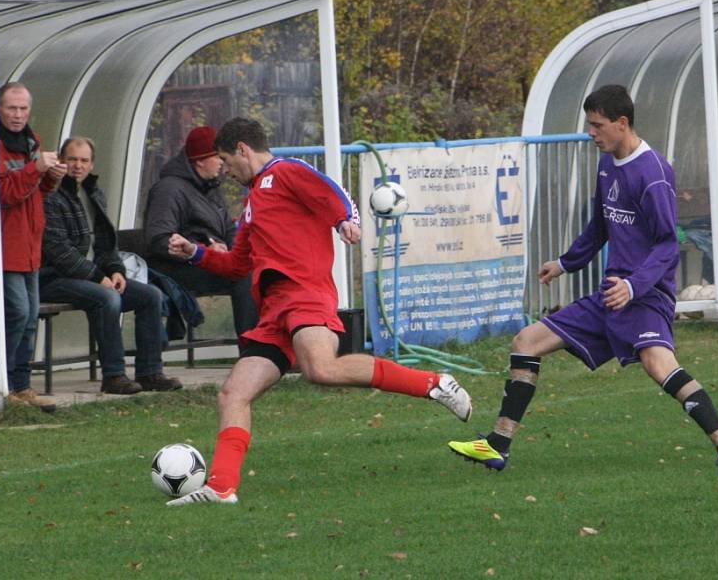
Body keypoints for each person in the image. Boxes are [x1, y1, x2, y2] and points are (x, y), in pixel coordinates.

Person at [165, 117, 473, 506]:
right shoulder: (252, 204)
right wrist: (195, 254)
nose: (226, 170)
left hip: (305, 293)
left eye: (227, 160)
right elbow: (237, 267)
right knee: (232, 394)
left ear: (243, 149)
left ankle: (433, 383)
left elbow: (333, 193)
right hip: (275, 312)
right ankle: (222, 487)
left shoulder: (286, 171)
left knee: (321, 369)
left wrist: (347, 219)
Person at [448, 85, 718, 471]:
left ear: (621, 123)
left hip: (645, 295)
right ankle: (497, 445)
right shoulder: (607, 163)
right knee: (526, 341)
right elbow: (600, 226)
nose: (591, 133)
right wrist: (564, 262)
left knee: (658, 364)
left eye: (597, 126)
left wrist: (633, 286)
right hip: (612, 293)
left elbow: (665, 246)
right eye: (589, 125)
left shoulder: (653, 174)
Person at [40, 137, 181, 395]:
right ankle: (114, 376)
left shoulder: (94, 193)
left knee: (151, 295)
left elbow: (107, 243)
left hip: (92, 277)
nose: (78, 166)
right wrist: (98, 277)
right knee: (107, 299)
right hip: (53, 278)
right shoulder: (51, 196)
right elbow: (58, 252)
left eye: (84, 161)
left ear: (92, 164)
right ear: (61, 160)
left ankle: (150, 372)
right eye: (72, 159)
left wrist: (116, 270)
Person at [0, 82, 67, 413]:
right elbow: (3, 194)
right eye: (11, 108)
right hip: (1, 246)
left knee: (29, 318)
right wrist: (36, 169)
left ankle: (21, 386)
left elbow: (35, 193)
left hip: (29, 245)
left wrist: (52, 176)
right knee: (16, 314)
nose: (17, 115)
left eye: (23, 109)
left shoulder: (32, 142)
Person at [143, 126, 257, 344]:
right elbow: (158, 238)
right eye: (218, 156)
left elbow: (229, 228)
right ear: (200, 159)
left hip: (208, 261)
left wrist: (234, 250)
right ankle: (252, 348)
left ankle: (273, 345)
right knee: (245, 275)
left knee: (257, 267)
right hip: (176, 268)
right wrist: (202, 249)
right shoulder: (169, 189)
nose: (223, 163)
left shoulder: (210, 187)